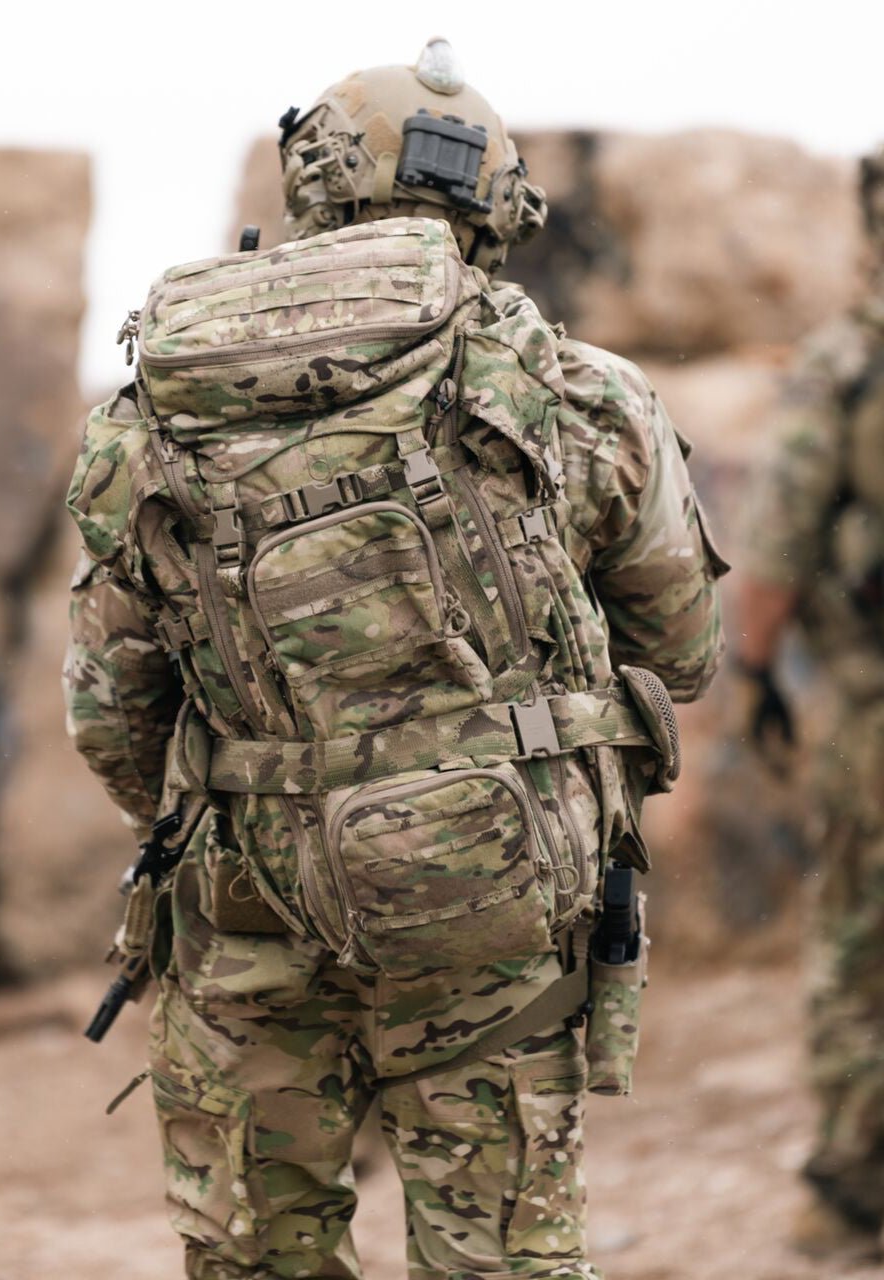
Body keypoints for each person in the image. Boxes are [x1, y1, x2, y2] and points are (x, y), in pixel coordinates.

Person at [63, 41, 726, 1280]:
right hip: (489, 894)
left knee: (256, 1256)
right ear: (499, 205)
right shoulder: (577, 390)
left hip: (243, 895)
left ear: (308, 188)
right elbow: (677, 652)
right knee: (498, 1259)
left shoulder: (161, 405)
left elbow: (110, 710)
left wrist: (259, 799)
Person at [737, 144, 884, 1264]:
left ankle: (850, 1195)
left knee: (858, 948)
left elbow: (779, 540)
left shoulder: (847, 363)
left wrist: (756, 672)